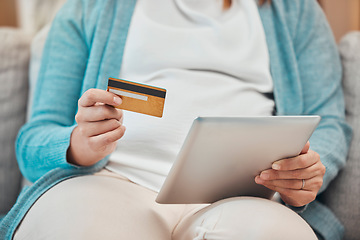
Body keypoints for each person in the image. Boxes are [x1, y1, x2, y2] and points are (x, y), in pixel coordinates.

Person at [0, 0, 352, 239]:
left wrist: (303, 170)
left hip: (246, 198)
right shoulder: (89, 8)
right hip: (109, 184)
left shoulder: (295, 12)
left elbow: (328, 123)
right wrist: (76, 144)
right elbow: (32, 142)